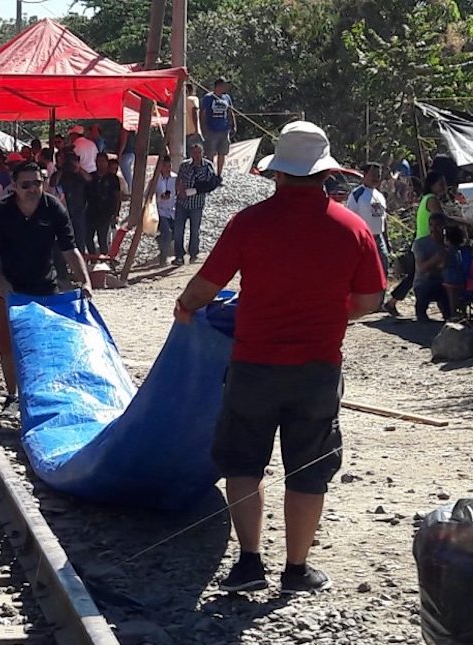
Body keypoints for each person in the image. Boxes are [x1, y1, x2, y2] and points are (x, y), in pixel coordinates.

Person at [173, 121, 385, 595]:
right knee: (309, 469)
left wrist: (186, 306)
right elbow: (371, 299)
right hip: (317, 370)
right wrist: (330, 316)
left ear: (278, 176)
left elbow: (206, 288)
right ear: (327, 175)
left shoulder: (248, 223)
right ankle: (296, 570)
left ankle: (249, 564)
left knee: (245, 463)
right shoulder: (353, 229)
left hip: (253, 366)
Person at [0, 161, 94, 408]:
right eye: (26, 184)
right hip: (8, 288)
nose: (33, 189)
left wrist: (84, 281)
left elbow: (69, 248)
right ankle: (12, 396)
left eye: (38, 182)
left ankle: (45, 393)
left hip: (44, 284)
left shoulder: (52, 207)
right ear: (14, 186)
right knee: (8, 344)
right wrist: (1, 281)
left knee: (46, 341)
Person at [385, 171, 447, 317]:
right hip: (428, 241)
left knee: (415, 275)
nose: (444, 187)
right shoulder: (431, 199)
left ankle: (392, 302)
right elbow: (441, 218)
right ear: (432, 185)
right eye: (441, 184)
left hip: (422, 239)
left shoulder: (425, 198)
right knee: (420, 274)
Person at [345, 162, 391, 280]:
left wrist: (387, 238)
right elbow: (350, 218)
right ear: (364, 175)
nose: (376, 178)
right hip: (364, 239)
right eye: (373, 174)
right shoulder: (357, 194)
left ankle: (381, 297)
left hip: (379, 238)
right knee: (365, 272)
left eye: (378, 174)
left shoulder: (380, 196)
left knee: (383, 267)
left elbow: (383, 219)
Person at [173, 142, 216, 265]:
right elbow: (179, 178)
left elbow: (211, 183)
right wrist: (179, 191)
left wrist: (198, 190)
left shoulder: (208, 166)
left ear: (202, 153)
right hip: (182, 202)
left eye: (199, 152)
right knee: (178, 230)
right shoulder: (185, 165)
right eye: (194, 152)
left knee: (194, 230)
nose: (196, 155)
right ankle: (179, 255)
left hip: (197, 203)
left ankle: (193, 253)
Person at [412, 213, 452, 322]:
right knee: (428, 285)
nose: (434, 229)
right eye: (431, 225)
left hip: (445, 281)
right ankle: (421, 310)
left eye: (438, 225)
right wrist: (437, 258)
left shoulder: (450, 242)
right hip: (425, 281)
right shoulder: (420, 244)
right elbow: (422, 268)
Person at [89, 154, 126, 256]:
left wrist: (116, 212)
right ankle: (93, 259)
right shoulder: (91, 176)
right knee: (88, 238)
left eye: (102, 161)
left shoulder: (113, 178)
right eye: (98, 161)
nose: (99, 163)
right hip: (91, 212)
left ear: (106, 163)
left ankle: (104, 261)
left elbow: (117, 196)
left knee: (103, 239)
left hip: (106, 213)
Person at [200, 78, 235, 176]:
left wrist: (233, 125)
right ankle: (210, 174)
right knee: (210, 153)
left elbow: (230, 112)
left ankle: (219, 174)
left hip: (224, 129)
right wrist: (203, 129)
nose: (225, 88)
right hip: (212, 130)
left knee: (222, 152)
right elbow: (203, 114)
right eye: (224, 85)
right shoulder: (208, 98)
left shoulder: (227, 97)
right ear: (218, 86)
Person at [443, 225, 473, 318]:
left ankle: (453, 314)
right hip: (466, 278)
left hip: (451, 279)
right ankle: (463, 312)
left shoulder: (447, 251)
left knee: (451, 294)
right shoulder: (467, 250)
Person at [154, 155, 178, 266]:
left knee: (174, 233)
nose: (167, 168)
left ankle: (161, 241)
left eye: (169, 166)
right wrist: (160, 197)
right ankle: (163, 258)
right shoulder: (155, 179)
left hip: (172, 210)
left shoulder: (175, 178)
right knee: (167, 232)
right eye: (164, 166)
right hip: (160, 210)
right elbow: (148, 195)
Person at [116, 126, 137, 194]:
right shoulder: (132, 132)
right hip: (131, 153)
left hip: (125, 154)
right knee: (129, 173)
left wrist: (119, 153)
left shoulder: (124, 130)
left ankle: (130, 191)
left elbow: (123, 142)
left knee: (126, 174)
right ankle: (131, 190)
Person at [185, 83, 203, 151]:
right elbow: (194, 112)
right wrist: (197, 129)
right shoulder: (194, 99)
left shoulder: (181, 100)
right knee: (196, 153)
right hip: (193, 131)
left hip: (183, 132)